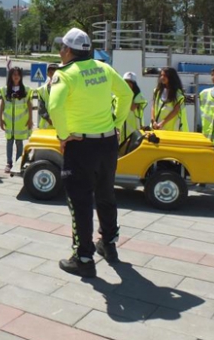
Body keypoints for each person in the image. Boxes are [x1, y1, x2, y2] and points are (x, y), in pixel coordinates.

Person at [48, 28, 133, 278]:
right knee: (106, 195)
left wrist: (63, 135)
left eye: (61, 48)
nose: (60, 52)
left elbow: (54, 106)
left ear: (68, 50)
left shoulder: (66, 75)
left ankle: (84, 258)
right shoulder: (103, 68)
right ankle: (108, 245)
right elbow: (126, 94)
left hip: (81, 145)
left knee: (81, 201)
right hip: (107, 144)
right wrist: (116, 123)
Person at [0, 67, 33, 173]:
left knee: (19, 142)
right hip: (9, 122)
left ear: (21, 76)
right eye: (14, 74)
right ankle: (9, 163)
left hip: (20, 122)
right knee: (9, 142)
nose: (16, 76)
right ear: (10, 76)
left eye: (18, 74)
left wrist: (30, 119)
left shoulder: (26, 90)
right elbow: (2, 104)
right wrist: (0, 119)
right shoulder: (5, 90)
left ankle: (19, 162)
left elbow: (29, 105)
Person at [151, 67, 189, 132]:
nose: (162, 77)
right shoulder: (157, 91)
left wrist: (162, 123)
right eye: (161, 75)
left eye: (165, 76)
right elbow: (153, 106)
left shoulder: (178, 94)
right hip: (156, 127)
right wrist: (153, 120)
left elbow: (175, 111)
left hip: (170, 129)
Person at [117, 72, 148, 144]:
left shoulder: (139, 97)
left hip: (133, 129)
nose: (127, 84)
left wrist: (127, 94)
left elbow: (132, 108)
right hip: (121, 128)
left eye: (129, 82)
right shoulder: (119, 95)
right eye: (125, 82)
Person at [36, 64, 58, 130]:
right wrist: (48, 119)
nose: (52, 73)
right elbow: (41, 107)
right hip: (46, 125)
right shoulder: (42, 89)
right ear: (48, 74)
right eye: (50, 71)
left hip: (59, 123)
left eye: (54, 71)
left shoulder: (64, 86)